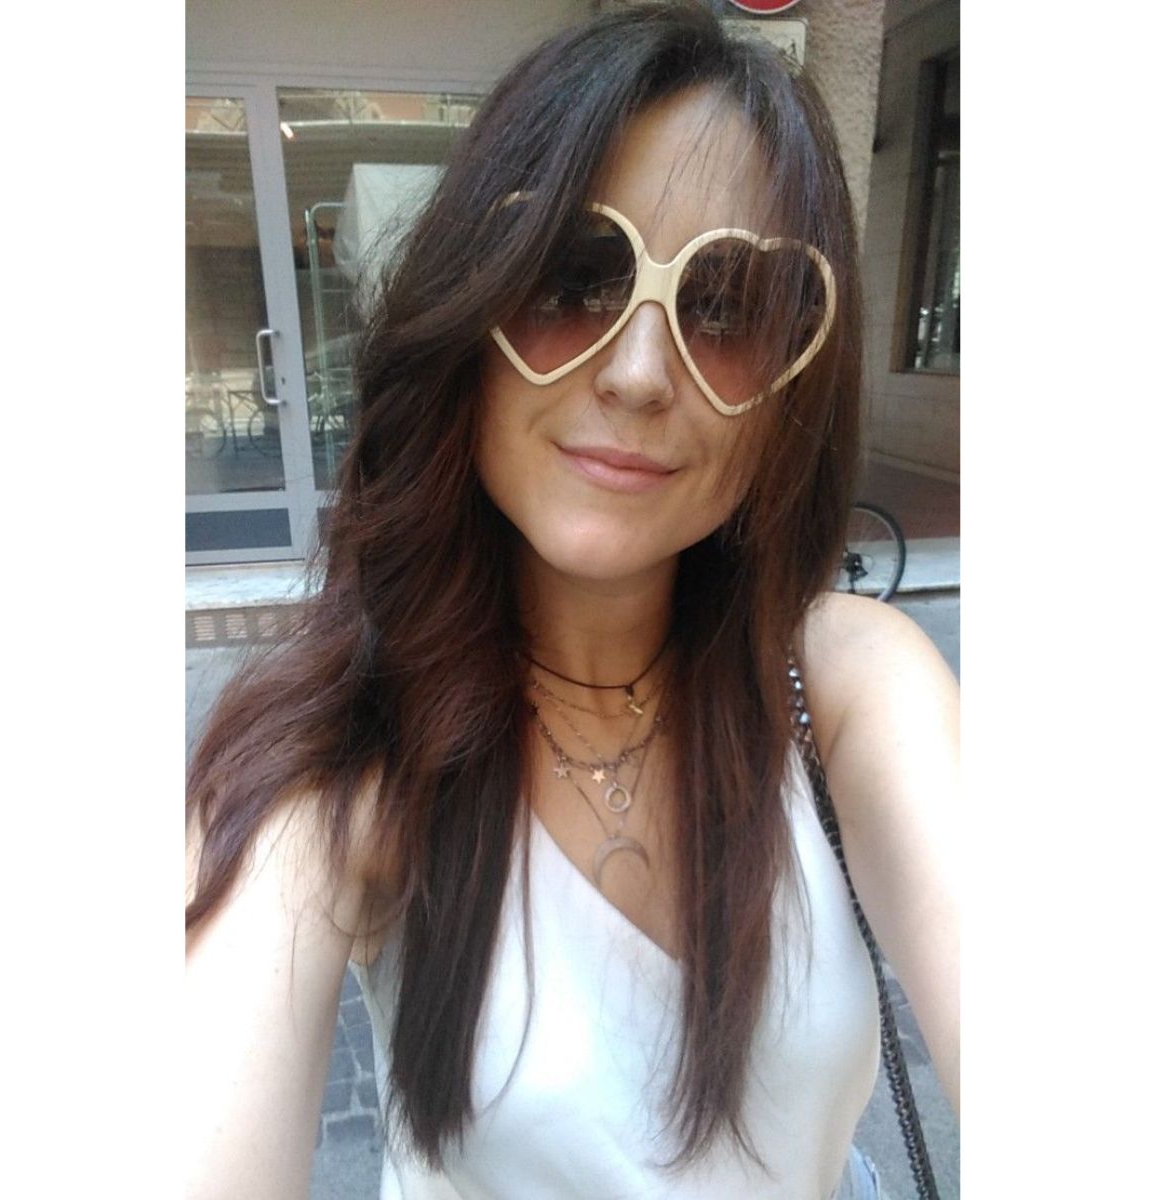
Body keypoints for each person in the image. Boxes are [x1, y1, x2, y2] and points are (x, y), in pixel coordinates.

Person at [185, 5, 959, 1199]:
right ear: (467, 308)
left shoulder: (848, 684)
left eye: (724, 308)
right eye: (573, 278)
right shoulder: (344, 761)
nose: (641, 373)